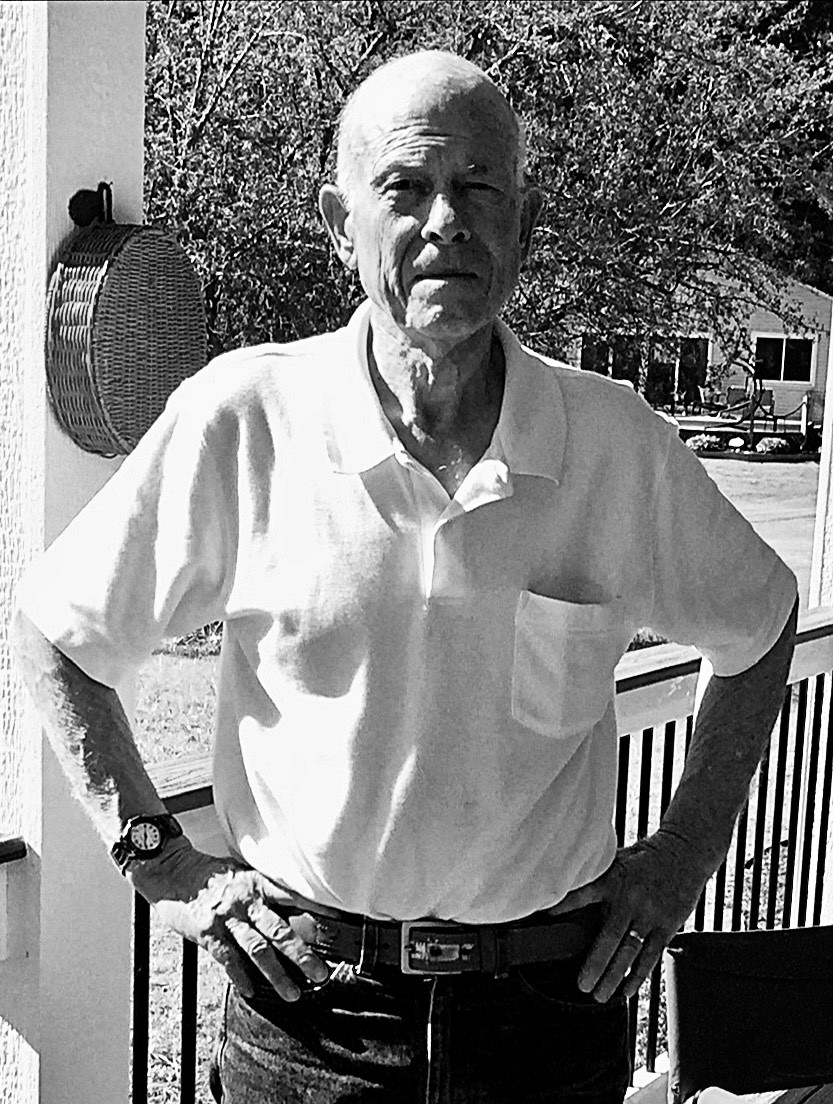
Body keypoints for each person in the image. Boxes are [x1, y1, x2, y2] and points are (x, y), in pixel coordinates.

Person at [13, 50, 797, 1104]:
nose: (445, 221)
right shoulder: (244, 419)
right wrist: (160, 857)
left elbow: (760, 623)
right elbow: (59, 632)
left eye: (479, 187)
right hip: (306, 1022)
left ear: (523, 221)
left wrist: (681, 857)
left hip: (549, 1018)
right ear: (340, 224)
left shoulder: (615, 443)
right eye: (405, 187)